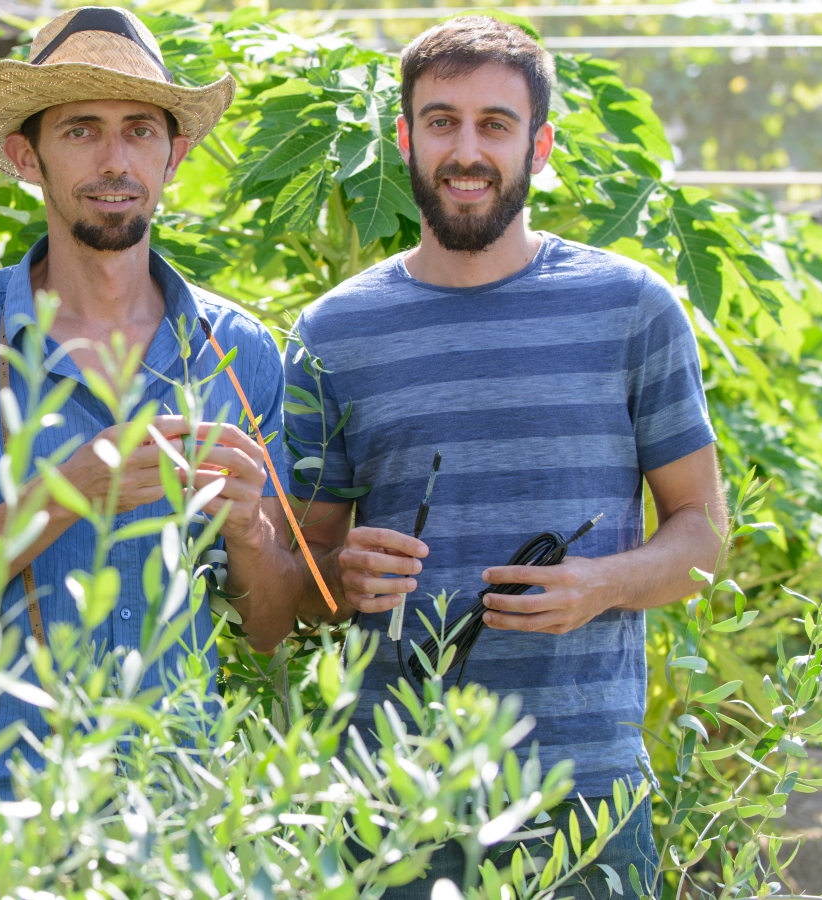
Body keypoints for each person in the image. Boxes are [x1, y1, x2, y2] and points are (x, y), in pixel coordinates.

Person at [286, 17, 724, 897]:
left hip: (584, 797)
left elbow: (703, 538)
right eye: (441, 121)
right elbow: (300, 574)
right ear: (405, 138)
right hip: (393, 792)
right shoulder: (332, 331)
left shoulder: (632, 308)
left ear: (540, 143)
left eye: (496, 123)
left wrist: (604, 583)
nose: (467, 149)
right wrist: (339, 571)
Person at [0, 7, 304, 791]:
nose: (114, 160)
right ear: (28, 156)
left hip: (179, 817)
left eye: (139, 130)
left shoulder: (239, 353)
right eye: (80, 130)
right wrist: (69, 491)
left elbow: (271, 628)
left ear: (176, 154)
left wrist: (252, 532)